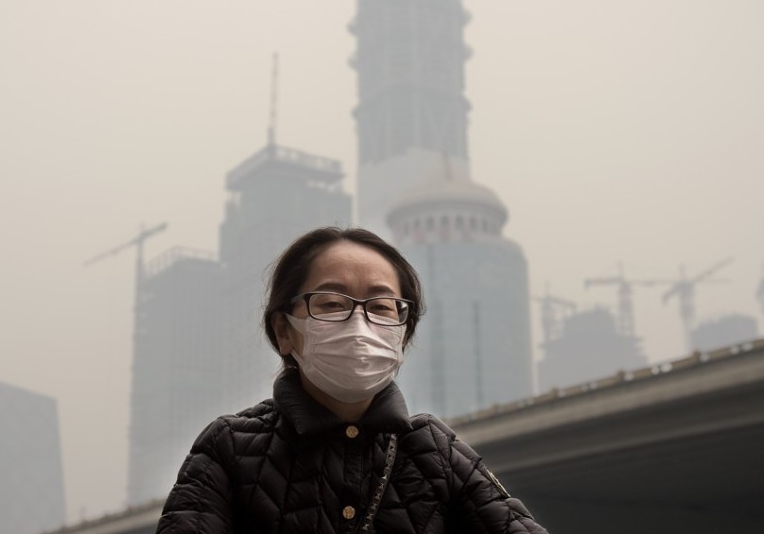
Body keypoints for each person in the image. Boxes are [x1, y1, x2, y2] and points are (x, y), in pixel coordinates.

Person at [157, 226, 549, 533]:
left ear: (402, 333)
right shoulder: (229, 448)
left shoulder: (436, 452)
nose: (359, 324)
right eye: (331, 303)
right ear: (283, 330)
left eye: (381, 306)